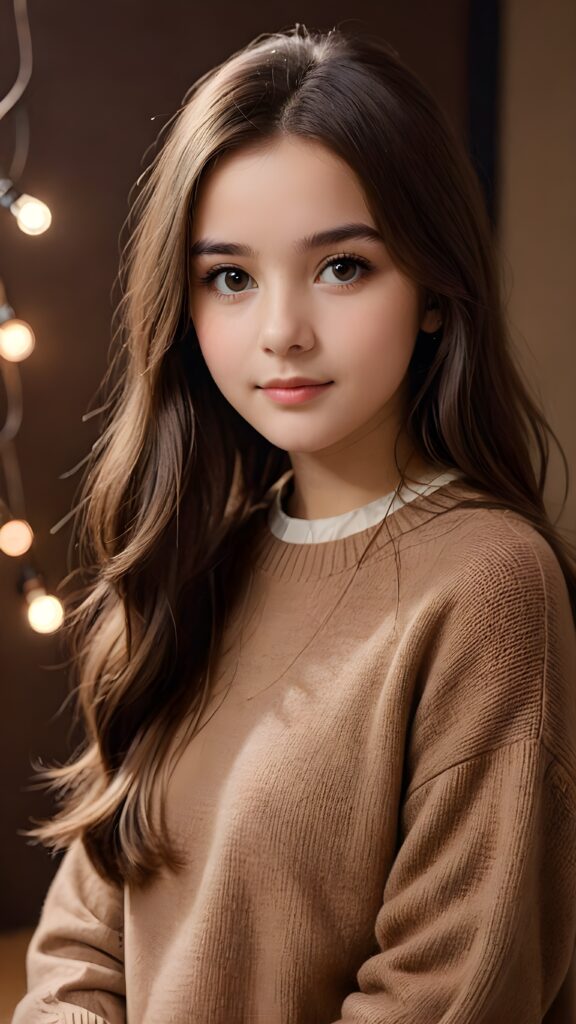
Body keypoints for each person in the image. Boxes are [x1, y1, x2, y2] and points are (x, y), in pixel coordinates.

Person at [12, 22, 576, 1024]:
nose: (281, 331)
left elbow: (450, 994)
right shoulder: (197, 561)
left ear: (437, 291)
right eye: (230, 276)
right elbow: (84, 932)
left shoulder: (491, 582)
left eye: (342, 266)